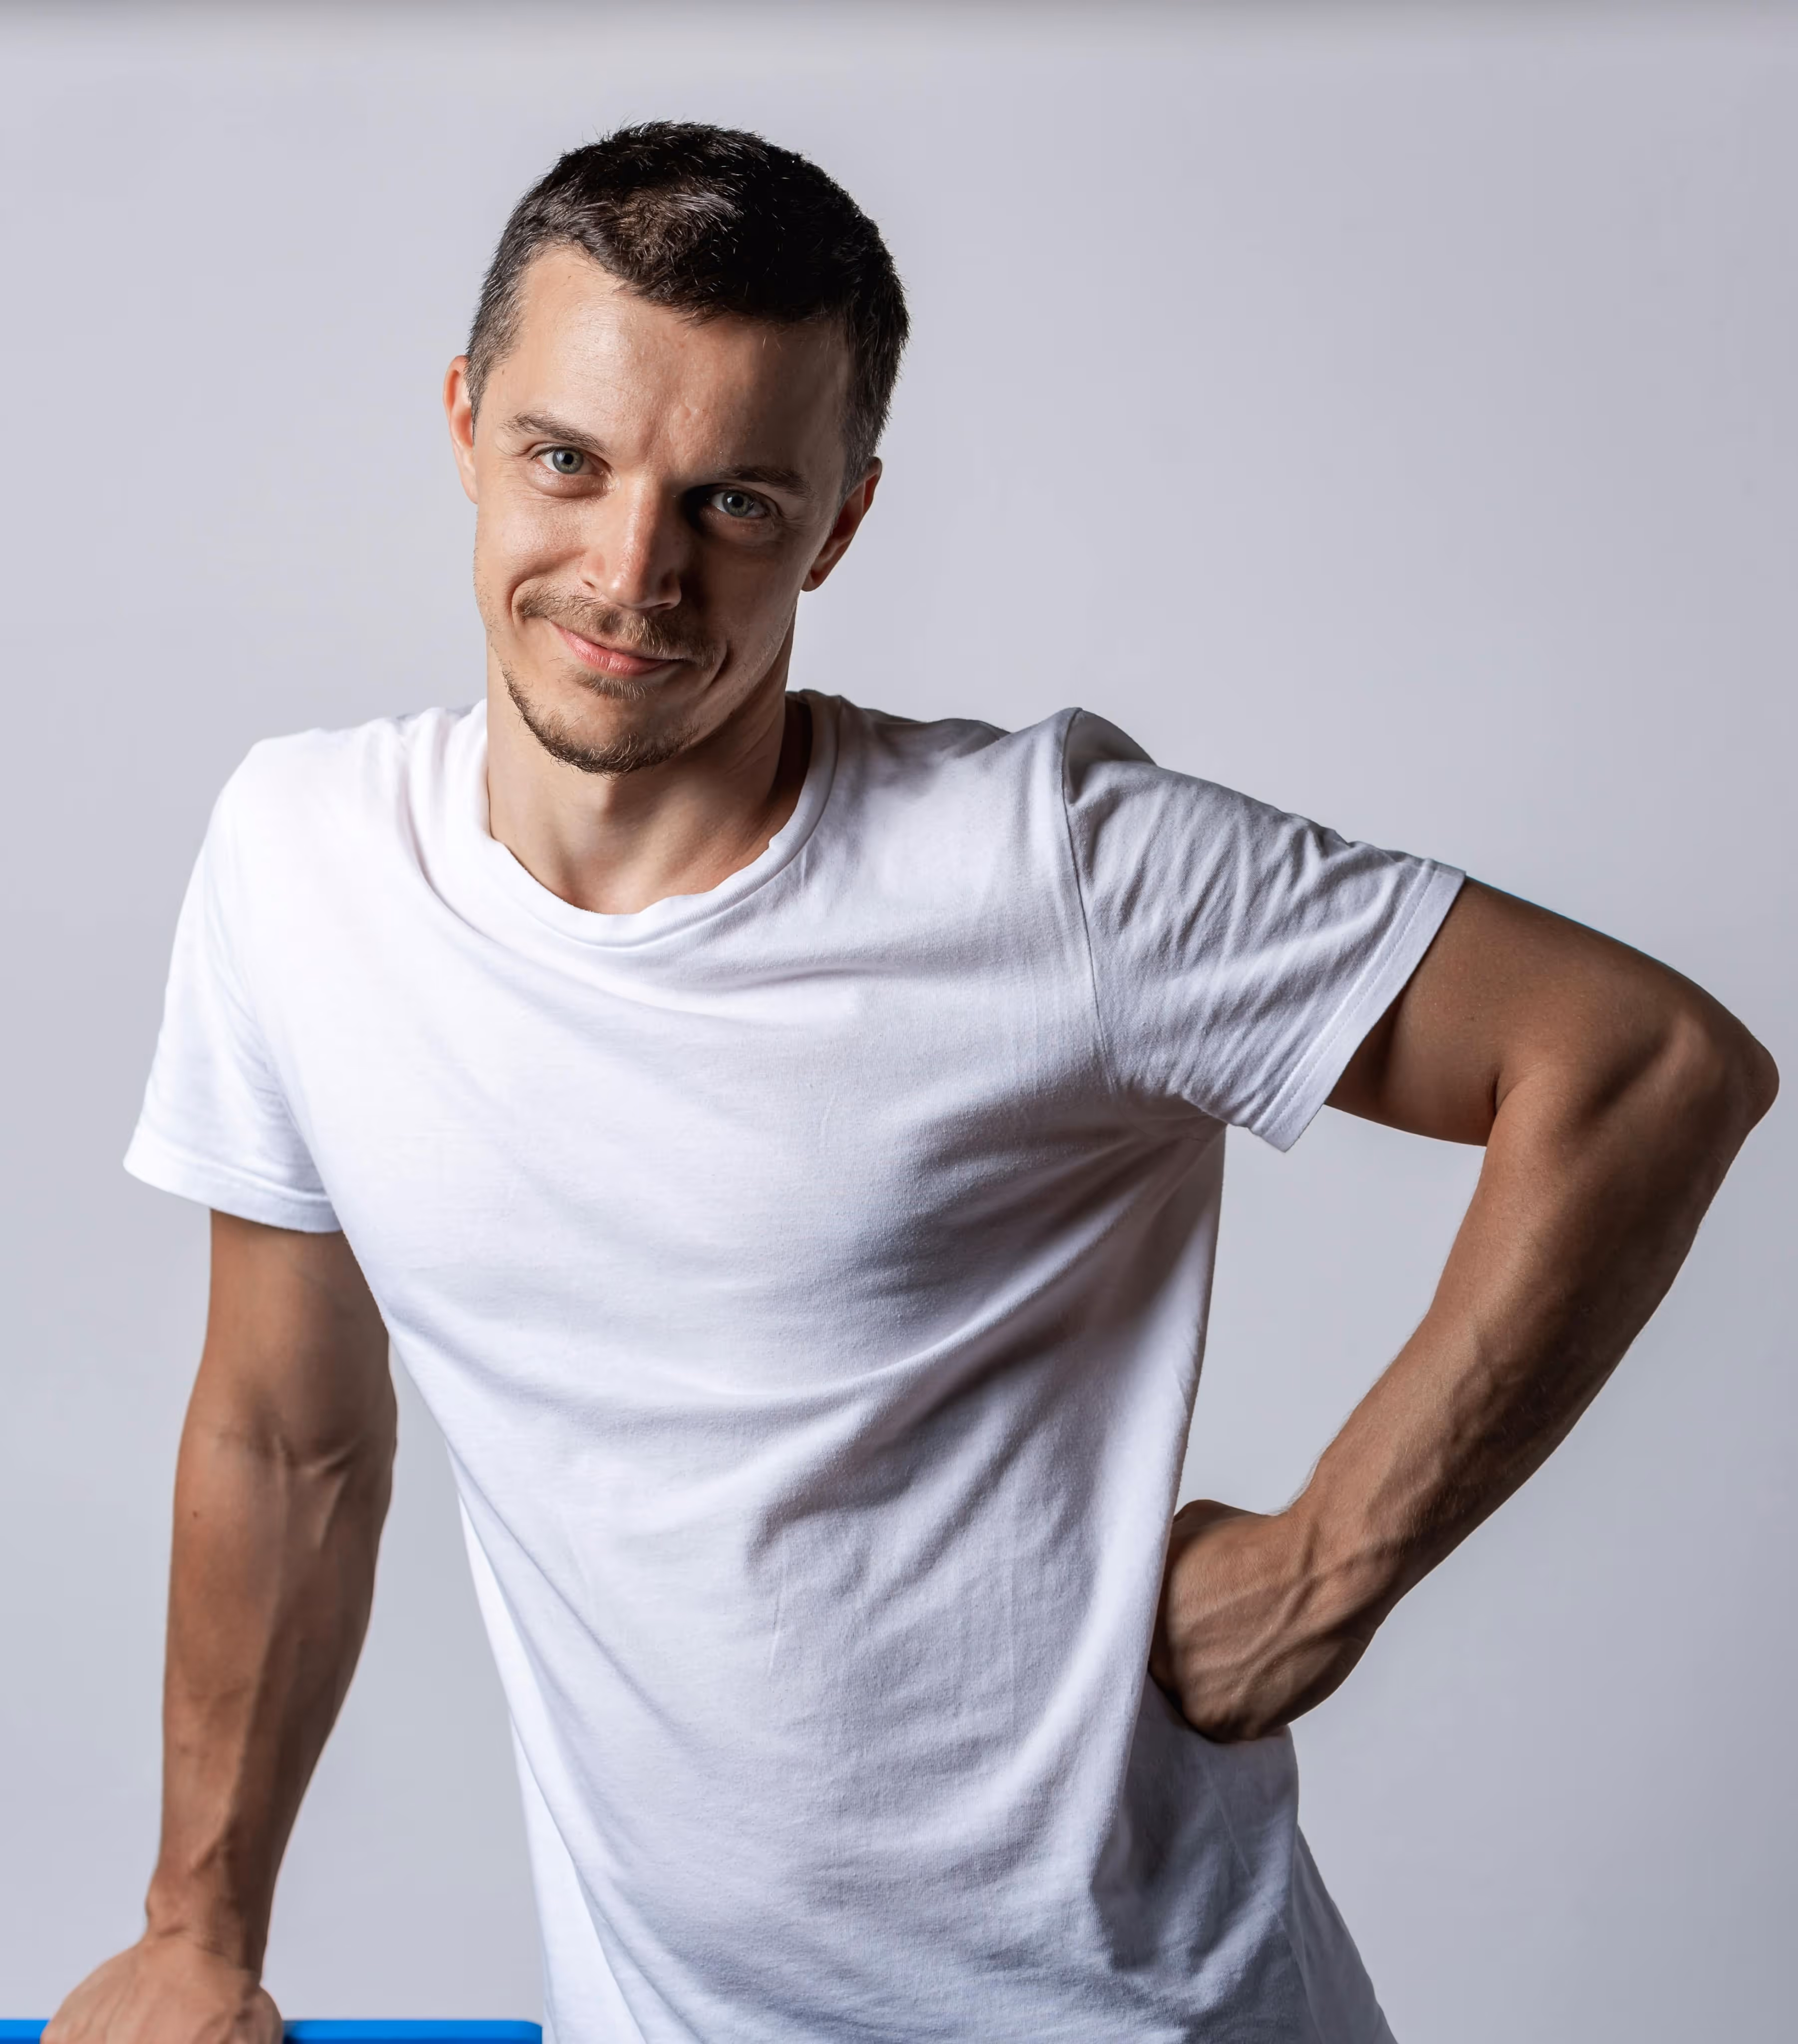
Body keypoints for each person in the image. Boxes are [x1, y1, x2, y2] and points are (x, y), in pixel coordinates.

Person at [46, 122, 1775, 2044]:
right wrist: (200, 1924)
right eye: (568, 459)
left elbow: (1641, 1064)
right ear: (465, 422)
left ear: (841, 522)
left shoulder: (1045, 865)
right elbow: (287, 1436)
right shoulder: (300, 865)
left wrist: (1327, 1565)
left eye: (734, 503)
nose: (632, 572)